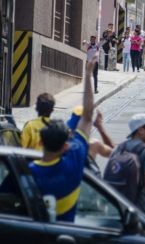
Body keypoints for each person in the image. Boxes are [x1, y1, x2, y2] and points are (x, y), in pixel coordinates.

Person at [29, 56, 97, 222]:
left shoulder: (27, 173)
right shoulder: (73, 163)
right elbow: (87, 116)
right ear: (66, 146)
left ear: (40, 142)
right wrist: (88, 75)